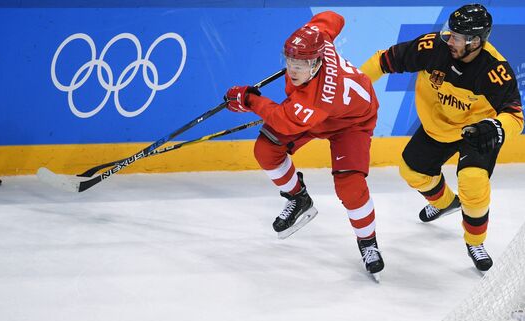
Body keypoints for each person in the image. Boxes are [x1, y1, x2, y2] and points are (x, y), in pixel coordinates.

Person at [360, 4, 523, 272]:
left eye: (457, 37)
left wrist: (494, 127)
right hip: (439, 127)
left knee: (473, 181)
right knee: (411, 171)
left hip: (477, 131)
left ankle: (475, 241)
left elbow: (516, 116)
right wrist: (354, 86)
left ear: (475, 42)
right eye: (449, 32)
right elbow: (383, 60)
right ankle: (446, 203)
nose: (449, 39)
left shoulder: (495, 70)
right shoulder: (432, 48)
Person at [224, 11, 384, 277]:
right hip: (320, 114)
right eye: (289, 61)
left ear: (318, 62)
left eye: (301, 64)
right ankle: (299, 199)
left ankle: (368, 242)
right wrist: (312, 32)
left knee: (350, 187)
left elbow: (282, 119)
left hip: (351, 124)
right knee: (266, 150)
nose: (292, 69)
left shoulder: (316, 99)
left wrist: (249, 100)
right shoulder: (316, 39)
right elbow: (334, 17)